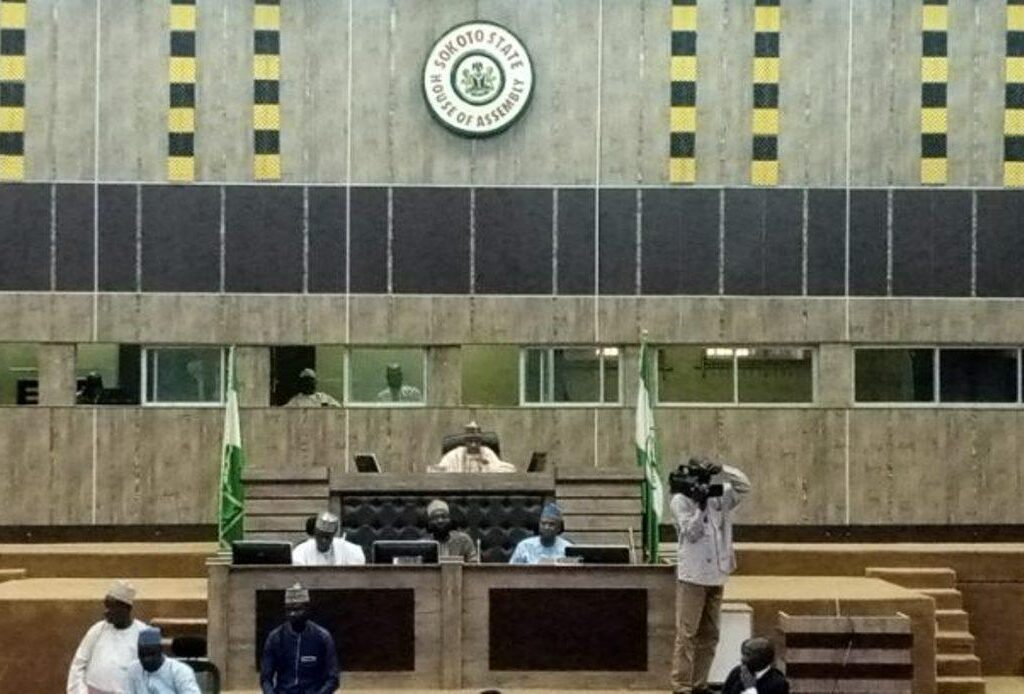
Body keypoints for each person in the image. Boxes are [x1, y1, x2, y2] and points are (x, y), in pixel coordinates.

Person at [669, 457, 751, 694]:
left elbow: (744, 486)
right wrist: (699, 506)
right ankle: (681, 686)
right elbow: (691, 533)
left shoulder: (721, 495)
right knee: (687, 634)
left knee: (711, 634)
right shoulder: (680, 500)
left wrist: (723, 469)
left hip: (717, 573)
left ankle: (699, 684)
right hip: (693, 576)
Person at [67, 580, 148, 694]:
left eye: (111, 608)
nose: (106, 612)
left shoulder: (143, 633)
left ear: (126, 609)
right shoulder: (97, 630)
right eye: (106, 607)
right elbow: (79, 664)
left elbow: (150, 674)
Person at [260, 583, 339, 694]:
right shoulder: (275, 638)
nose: (292, 614)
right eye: (289, 609)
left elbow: (333, 679)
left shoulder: (322, 637)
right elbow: (265, 679)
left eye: (297, 609)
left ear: (307, 609)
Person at [123, 627, 201, 694]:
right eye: (142, 655)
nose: (146, 659)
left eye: (151, 654)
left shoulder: (180, 671)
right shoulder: (133, 669)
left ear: (161, 650)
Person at [430, 421, 516, 473]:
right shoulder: (456, 454)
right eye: (470, 441)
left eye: (476, 441)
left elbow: (500, 468)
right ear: (465, 441)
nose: (473, 444)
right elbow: (439, 470)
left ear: (481, 441)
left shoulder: (487, 452)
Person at [292, 511, 366, 566]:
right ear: (315, 534)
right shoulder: (302, 550)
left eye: (327, 537)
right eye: (320, 536)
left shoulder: (345, 548)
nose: (323, 540)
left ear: (333, 536)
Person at [721, 637, 789, 694]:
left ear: (762, 658)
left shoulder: (778, 683)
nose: (742, 659)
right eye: (743, 654)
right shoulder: (736, 672)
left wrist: (751, 690)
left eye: (748, 655)